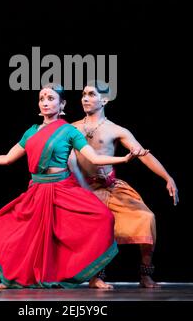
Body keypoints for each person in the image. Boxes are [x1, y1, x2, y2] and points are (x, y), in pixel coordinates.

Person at [0, 84, 137, 290]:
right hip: (37, 190)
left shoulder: (69, 131)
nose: (45, 102)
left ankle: (94, 277)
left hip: (62, 189)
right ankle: (12, 278)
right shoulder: (31, 132)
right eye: (42, 98)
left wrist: (123, 158)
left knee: (103, 218)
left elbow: (94, 158)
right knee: (7, 227)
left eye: (51, 98)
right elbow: (8, 158)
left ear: (62, 104)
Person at [69, 83, 179, 289]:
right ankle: (96, 276)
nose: (85, 98)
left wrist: (167, 177)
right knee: (101, 224)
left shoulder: (116, 130)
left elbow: (142, 155)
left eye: (91, 94)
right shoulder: (71, 128)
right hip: (83, 189)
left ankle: (145, 275)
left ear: (105, 100)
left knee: (146, 218)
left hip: (111, 187)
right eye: (83, 94)